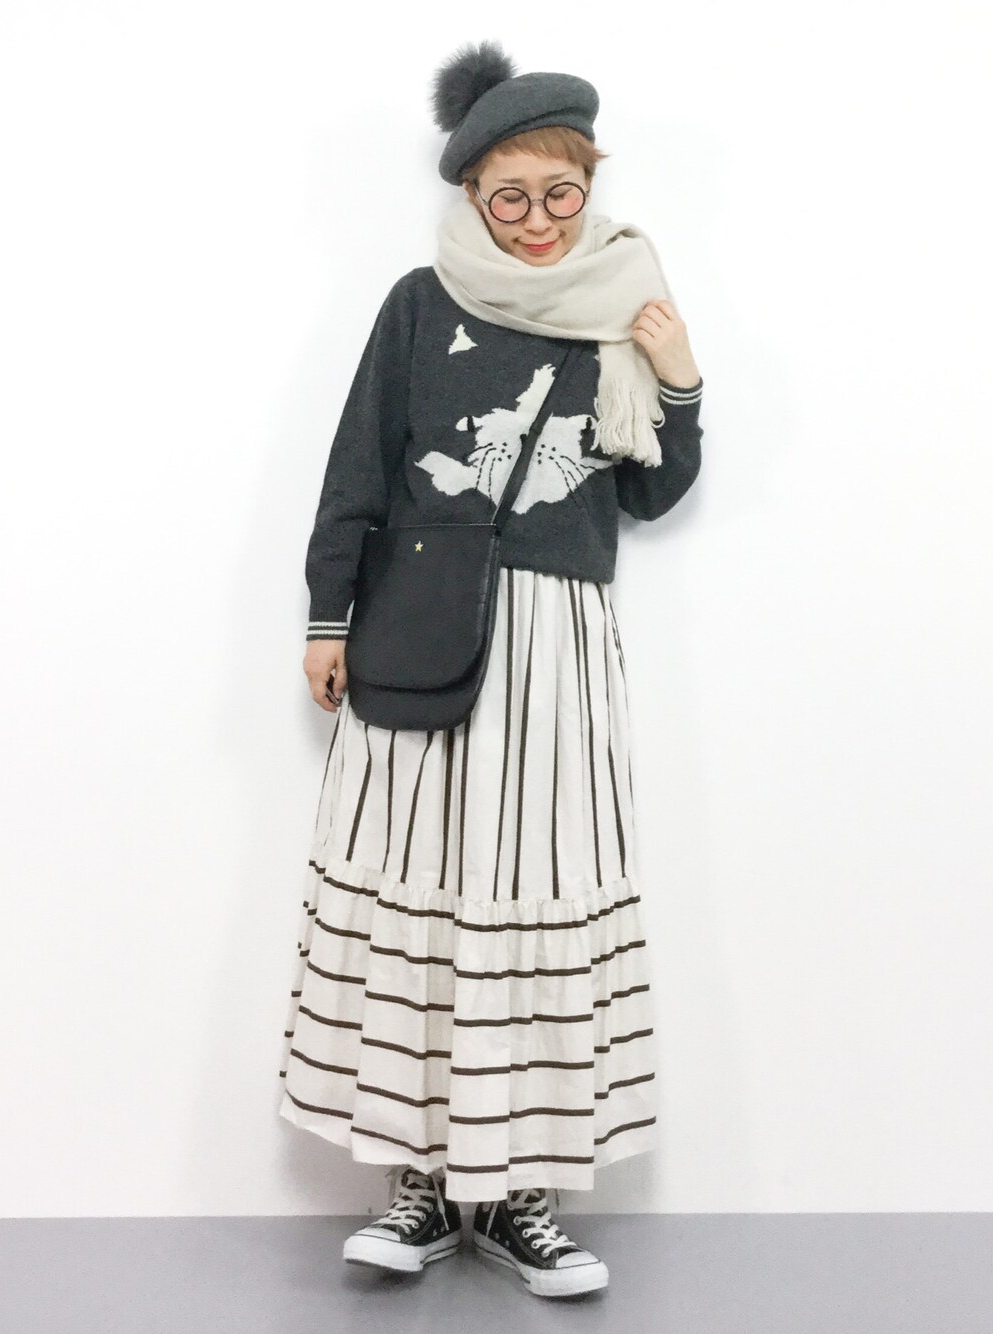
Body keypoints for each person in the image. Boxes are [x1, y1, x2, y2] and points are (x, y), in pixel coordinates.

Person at [277, 40, 704, 1300]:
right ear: (470, 194)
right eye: (507, 197)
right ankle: (417, 1183)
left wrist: (679, 381)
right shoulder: (421, 302)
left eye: (558, 193)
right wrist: (326, 616)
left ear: (591, 183)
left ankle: (523, 1193)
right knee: (420, 895)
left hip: (556, 646)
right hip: (418, 631)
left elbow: (653, 493)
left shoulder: (624, 302)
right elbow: (359, 462)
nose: (534, 220)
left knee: (538, 895)